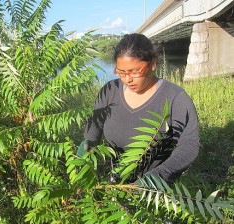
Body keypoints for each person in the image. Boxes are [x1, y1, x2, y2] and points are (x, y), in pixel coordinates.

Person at [77, 33, 199, 184]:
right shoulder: (109, 91)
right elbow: (93, 131)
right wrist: (86, 147)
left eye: (135, 72)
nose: (127, 79)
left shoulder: (175, 98)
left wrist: (157, 178)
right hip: (116, 184)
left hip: (155, 190)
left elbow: (189, 146)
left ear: (152, 64)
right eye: (121, 72)